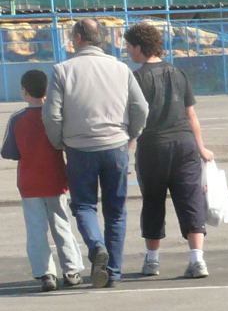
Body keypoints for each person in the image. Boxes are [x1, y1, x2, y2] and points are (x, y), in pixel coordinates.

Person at [44, 17, 146, 287]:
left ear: (79, 38)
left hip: (79, 149)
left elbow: (51, 115)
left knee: (84, 206)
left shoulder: (62, 70)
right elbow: (141, 108)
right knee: (116, 212)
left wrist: (59, 142)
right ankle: (112, 272)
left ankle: (96, 246)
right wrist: (131, 135)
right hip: (115, 146)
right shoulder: (120, 68)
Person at [124, 23, 214, 279]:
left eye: (129, 46)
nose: (127, 51)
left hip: (153, 147)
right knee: (190, 200)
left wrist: (126, 149)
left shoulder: (136, 78)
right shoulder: (177, 72)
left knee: (153, 202)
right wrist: (201, 147)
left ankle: (152, 260)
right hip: (185, 144)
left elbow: (133, 118)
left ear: (139, 47)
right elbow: (190, 114)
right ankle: (197, 260)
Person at [2, 69, 87, 290]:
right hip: (55, 179)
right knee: (61, 225)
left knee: (36, 229)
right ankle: (72, 269)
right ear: (47, 91)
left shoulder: (17, 119)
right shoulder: (55, 116)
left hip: (29, 183)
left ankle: (45, 273)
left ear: (24, 91)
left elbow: (9, 152)